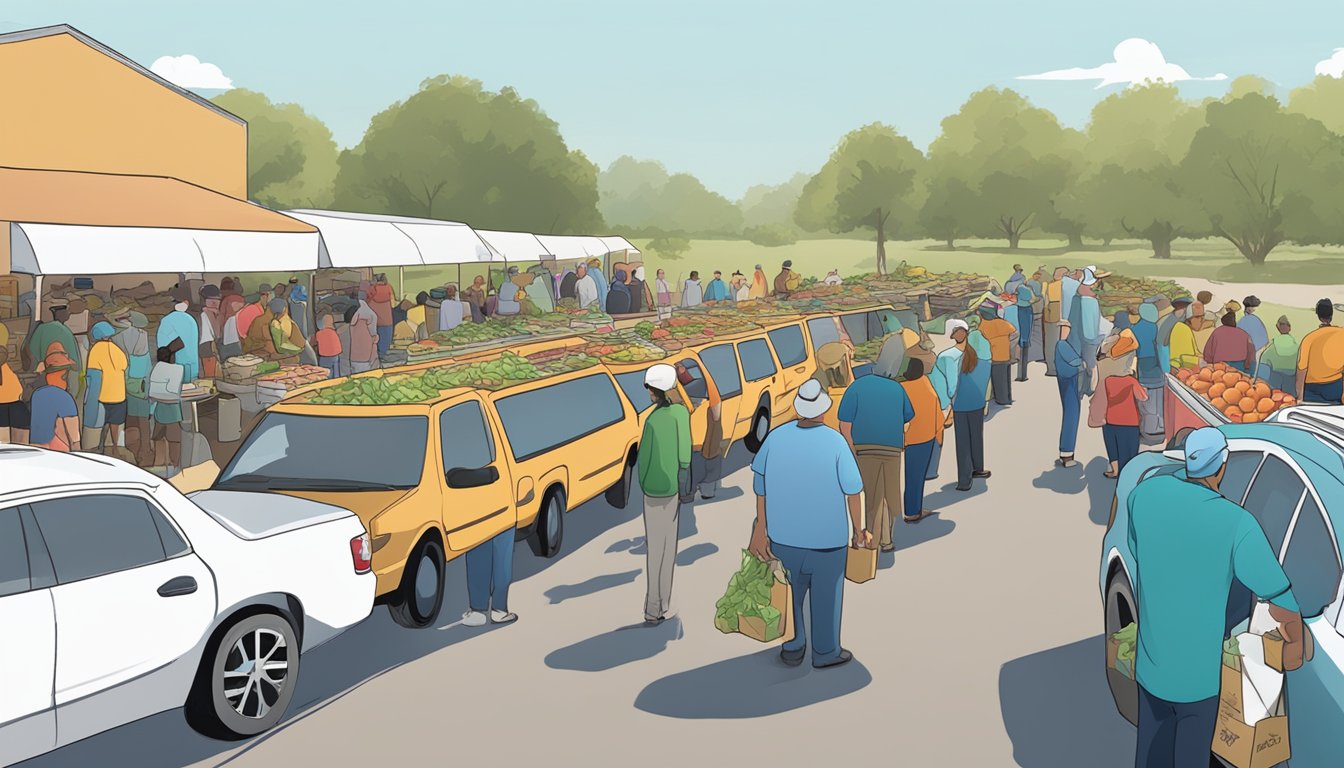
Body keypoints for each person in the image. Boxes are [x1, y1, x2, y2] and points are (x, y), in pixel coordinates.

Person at [1128, 427, 1307, 768]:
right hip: (1199, 681)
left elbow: (1138, 549)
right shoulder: (1237, 523)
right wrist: (1295, 646)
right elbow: (1279, 596)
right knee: (1191, 758)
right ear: (1221, 465)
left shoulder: (1145, 494)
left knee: (1151, 756)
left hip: (1151, 668)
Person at [748, 378, 867, 669]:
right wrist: (858, 531)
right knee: (827, 596)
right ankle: (825, 652)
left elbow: (760, 486)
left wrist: (760, 529)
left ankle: (793, 645)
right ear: (823, 411)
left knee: (790, 593)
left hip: (783, 537)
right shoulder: (836, 442)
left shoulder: (775, 437)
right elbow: (853, 490)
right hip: (828, 540)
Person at [838, 337, 917, 551]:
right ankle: (887, 539)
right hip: (892, 448)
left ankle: (869, 540)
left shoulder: (856, 387)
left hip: (864, 450)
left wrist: (851, 449)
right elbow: (908, 416)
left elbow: (844, 423)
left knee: (870, 495)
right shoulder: (897, 389)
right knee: (889, 494)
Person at [637, 364, 692, 625]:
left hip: (652, 491)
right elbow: (684, 455)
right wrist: (683, 484)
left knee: (655, 549)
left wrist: (645, 484)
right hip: (672, 489)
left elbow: (643, 459)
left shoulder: (651, 420)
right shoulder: (681, 414)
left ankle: (652, 607)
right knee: (668, 548)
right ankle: (663, 603)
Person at [900, 358, 942, 524]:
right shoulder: (926, 384)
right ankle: (912, 511)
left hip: (908, 437)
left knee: (912, 475)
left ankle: (913, 508)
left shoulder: (902, 388)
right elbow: (936, 410)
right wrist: (939, 434)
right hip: (925, 437)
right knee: (916, 476)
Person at [926, 319, 967, 481]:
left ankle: (929, 470)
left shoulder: (945, 356)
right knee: (937, 433)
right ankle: (931, 469)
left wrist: (950, 400)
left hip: (940, 399)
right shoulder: (962, 353)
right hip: (944, 399)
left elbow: (952, 383)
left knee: (932, 433)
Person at [1100, 336, 1147, 478]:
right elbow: (1143, 397)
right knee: (1129, 450)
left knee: (1113, 448)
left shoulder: (1108, 380)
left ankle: (1114, 470)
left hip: (1110, 420)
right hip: (1129, 421)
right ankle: (1127, 475)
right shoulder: (1131, 382)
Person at [112, 311, 154, 465]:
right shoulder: (141, 335)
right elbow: (145, 363)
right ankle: (145, 448)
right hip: (141, 382)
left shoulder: (115, 337)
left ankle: (129, 451)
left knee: (128, 419)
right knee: (143, 419)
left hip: (123, 382)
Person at [952, 331, 992, 491]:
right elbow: (986, 385)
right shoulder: (985, 365)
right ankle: (978, 468)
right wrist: (986, 401)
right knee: (976, 436)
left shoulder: (957, 364)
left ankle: (964, 480)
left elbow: (952, 386)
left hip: (960, 406)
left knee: (962, 442)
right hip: (977, 404)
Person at [85, 321, 129, 454]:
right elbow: (124, 368)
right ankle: (115, 448)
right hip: (119, 395)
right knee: (115, 424)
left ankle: (100, 448)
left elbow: (92, 375)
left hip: (102, 396)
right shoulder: (118, 350)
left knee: (100, 424)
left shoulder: (95, 350)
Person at [28, 344, 80, 452]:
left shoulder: (37, 394)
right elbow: (74, 438)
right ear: (64, 374)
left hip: (37, 450)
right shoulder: (65, 398)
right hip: (58, 452)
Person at [148, 339, 186, 474]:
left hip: (159, 411)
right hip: (172, 412)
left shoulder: (156, 368)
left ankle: (159, 466)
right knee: (175, 441)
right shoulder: (177, 369)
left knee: (159, 439)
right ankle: (175, 467)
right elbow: (174, 393)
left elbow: (152, 392)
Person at [1297, 298, 1344, 404]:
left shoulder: (1309, 338)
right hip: (1335, 386)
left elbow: (1301, 369)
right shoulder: (1342, 334)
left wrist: (1300, 397)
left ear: (1318, 315)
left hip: (1312, 389)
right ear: (1331, 314)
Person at [1069, 269, 1104, 394]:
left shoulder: (1081, 300)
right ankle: (1089, 388)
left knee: (1088, 364)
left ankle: (1088, 388)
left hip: (1083, 336)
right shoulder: (1088, 301)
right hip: (1087, 336)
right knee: (1089, 364)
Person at [1133, 302, 1165, 439]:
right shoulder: (1154, 327)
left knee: (1145, 396)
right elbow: (1159, 347)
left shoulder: (1134, 328)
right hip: (1154, 363)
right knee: (1158, 395)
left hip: (1141, 363)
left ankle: (1147, 426)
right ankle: (1159, 425)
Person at [1055, 321, 1084, 468]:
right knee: (1072, 415)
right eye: (1064, 329)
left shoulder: (1061, 345)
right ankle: (1067, 453)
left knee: (1070, 413)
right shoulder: (1063, 345)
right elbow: (1075, 361)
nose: (1066, 331)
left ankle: (1066, 451)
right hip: (1069, 382)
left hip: (1066, 381)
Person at [976, 305, 1016, 406]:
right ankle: (1007, 397)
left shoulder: (983, 326)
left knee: (997, 378)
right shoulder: (1003, 323)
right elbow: (1015, 333)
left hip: (994, 357)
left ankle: (1001, 400)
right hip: (1005, 355)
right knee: (1005, 378)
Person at [0, 347, 30, 445]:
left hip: (11, 408)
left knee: (4, 447)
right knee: (20, 446)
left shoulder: (8, 370)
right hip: (17, 407)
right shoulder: (9, 370)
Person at [1261, 316, 1299, 393]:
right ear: (1289, 328)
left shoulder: (1272, 345)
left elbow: (1264, 362)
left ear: (1278, 328)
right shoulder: (1297, 346)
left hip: (1275, 380)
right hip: (1291, 380)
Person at [1042, 268, 1067, 376]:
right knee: (1056, 342)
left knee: (1049, 342)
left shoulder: (1047, 285)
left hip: (1048, 312)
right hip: (1057, 313)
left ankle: (1051, 367)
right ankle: (1054, 368)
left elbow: (1044, 299)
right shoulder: (1061, 285)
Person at [349, 292, 381, 373]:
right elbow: (373, 337)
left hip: (350, 357)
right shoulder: (370, 317)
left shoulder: (348, 322)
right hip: (364, 358)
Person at [1167, 300, 1203, 371]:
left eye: (1202, 317)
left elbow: (1195, 352)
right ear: (1189, 317)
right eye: (1198, 317)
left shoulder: (1183, 327)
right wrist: (1202, 361)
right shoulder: (1182, 329)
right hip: (1179, 371)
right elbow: (1183, 358)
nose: (1201, 320)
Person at [198, 284, 224, 378]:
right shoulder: (205, 314)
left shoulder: (213, 313)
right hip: (206, 346)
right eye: (211, 299)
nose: (214, 302)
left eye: (217, 299)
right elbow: (216, 333)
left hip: (210, 345)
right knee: (210, 375)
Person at [1014, 275, 1036, 382]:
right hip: (1026, 310)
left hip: (1019, 309)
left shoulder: (1017, 288)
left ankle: (1020, 373)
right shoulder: (1026, 289)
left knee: (1021, 340)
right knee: (1025, 341)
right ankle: (1023, 374)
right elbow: (1033, 299)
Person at [368, 275, 395, 360]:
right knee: (385, 349)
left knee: (372, 347)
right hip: (387, 321)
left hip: (372, 321)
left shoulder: (370, 289)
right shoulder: (389, 288)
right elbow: (393, 304)